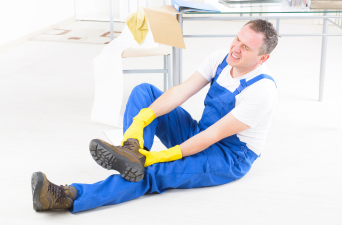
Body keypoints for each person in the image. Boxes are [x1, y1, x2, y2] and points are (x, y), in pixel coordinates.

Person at [31, 19, 279, 213]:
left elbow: (213, 135)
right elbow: (180, 92)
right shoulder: (220, 59)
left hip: (227, 156)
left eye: (246, 47)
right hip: (199, 132)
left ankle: (66, 196)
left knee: (153, 173)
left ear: (262, 58)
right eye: (237, 39)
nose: (235, 48)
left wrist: (160, 156)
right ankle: (132, 150)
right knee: (145, 93)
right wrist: (142, 119)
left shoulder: (261, 90)